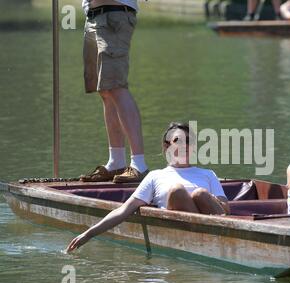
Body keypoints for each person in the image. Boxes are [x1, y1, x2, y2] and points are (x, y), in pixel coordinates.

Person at [67, 122, 230, 252]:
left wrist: (206, 199)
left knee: (200, 193)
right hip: (181, 232)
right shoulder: (155, 176)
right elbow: (124, 210)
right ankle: (201, 240)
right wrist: (89, 234)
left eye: (188, 141)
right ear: (167, 147)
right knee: (177, 191)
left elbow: (225, 209)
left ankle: (220, 241)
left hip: (215, 227)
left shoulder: (208, 174)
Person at [79, 0, 149, 184]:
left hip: (114, 14)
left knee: (115, 87)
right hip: (94, 16)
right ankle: (116, 162)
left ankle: (139, 165)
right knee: (105, 92)